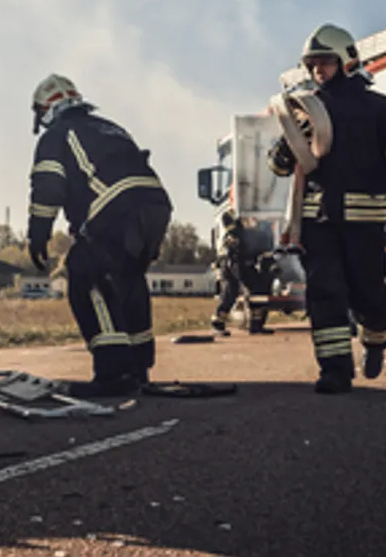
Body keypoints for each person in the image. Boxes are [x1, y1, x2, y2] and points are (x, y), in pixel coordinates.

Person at [266, 24, 386, 394]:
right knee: (325, 292)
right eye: (313, 65)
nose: (318, 71)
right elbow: (278, 166)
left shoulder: (378, 109)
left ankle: (376, 338)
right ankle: (335, 371)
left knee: (368, 296)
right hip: (318, 222)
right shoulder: (305, 109)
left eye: (325, 62)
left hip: (363, 222)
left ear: (347, 61)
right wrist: (289, 144)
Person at [26, 73, 173, 398]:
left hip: (115, 207)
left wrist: (38, 235)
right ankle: (138, 367)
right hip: (155, 205)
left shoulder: (58, 134)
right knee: (129, 280)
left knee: (85, 274)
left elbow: (49, 185)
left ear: (44, 110)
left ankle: (113, 371)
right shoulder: (109, 126)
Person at [209, 209, 244, 335]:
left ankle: (219, 321)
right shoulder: (231, 234)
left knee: (232, 292)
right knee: (229, 292)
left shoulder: (231, 231)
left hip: (228, 262)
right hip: (227, 262)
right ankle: (217, 322)